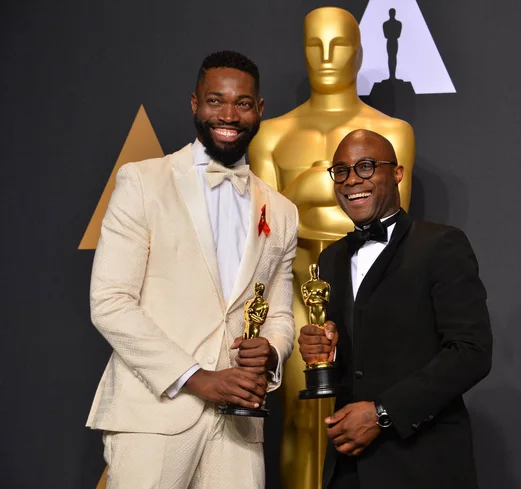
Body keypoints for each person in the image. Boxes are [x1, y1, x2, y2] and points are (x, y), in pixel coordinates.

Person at [86, 50, 298, 489]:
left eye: (242, 103)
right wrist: (197, 378)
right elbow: (109, 302)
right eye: (215, 100)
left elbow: (278, 313)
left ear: (259, 110)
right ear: (194, 104)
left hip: (240, 426)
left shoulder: (282, 211)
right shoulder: (142, 182)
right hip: (155, 412)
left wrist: (273, 351)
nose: (228, 114)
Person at [248, 9, 415, 488]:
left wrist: (301, 191)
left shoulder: (394, 132)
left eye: (339, 45)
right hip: (297, 294)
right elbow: (268, 232)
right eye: (314, 45)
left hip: (369, 299)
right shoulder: (273, 134)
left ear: (359, 52)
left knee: (368, 417)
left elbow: (388, 226)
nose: (325, 57)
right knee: (303, 421)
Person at [298, 129, 493, 489]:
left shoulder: (441, 245)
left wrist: (383, 413)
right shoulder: (330, 260)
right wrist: (325, 352)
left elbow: (471, 352)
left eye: (367, 167)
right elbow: (359, 364)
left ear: (398, 173)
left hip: (422, 464)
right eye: (340, 170)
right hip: (349, 469)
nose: (352, 179)